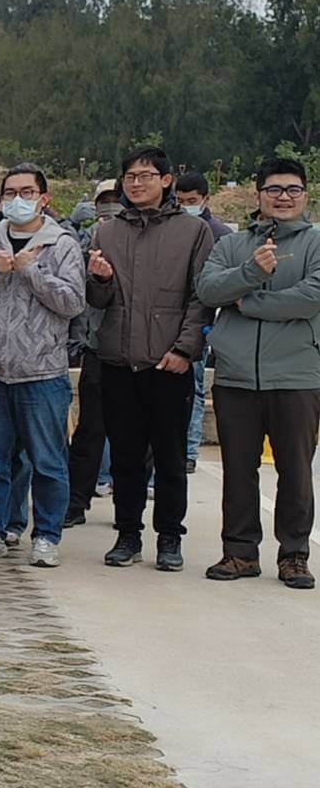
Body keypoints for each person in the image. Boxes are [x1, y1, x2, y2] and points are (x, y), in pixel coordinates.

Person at [86, 148, 214, 572]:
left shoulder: (192, 231)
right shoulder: (107, 232)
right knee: (124, 454)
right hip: (119, 359)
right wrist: (100, 280)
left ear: (165, 181)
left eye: (145, 175)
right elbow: (98, 300)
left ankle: (170, 537)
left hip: (167, 363)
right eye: (129, 176)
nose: (136, 183)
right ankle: (127, 534)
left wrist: (184, 350)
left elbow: (201, 298)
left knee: (170, 455)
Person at [0, 163, 86, 567]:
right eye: (9, 193)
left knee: (47, 461)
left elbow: (72, 302)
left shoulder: (61, 244)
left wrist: (30, 270)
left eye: (26, 192)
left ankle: (46, 535)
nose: (17, 200)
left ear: (44, 198)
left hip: (42, 373)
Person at [196, 157, 319, 589]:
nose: (283, 198)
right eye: (274, 190)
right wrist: (252, 271)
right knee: (239, 469)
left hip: (298, 375)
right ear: (259, 195)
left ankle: (295, 555)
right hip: (236, 376)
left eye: (292, 190)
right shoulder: (232, 244)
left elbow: (310, 298)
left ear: (305, 195)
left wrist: (246, 302)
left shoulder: (315, 243)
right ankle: (240, 552)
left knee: (296, 470)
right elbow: (208, 288)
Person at [65, 179, 122, 527]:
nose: (111, 207)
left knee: (136, 438)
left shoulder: (137, 239)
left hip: (137, 350)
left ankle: (128, 510)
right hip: (97, 349)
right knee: (89, 432)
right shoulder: (85, 239)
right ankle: (75, 501)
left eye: (117, 201)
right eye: (105, 201)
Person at [173, 170, 231, 475]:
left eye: (191, 201)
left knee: (194, 388)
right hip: (168, 322)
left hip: (201, 322)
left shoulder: (218, 234)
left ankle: (189, 449)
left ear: (205, 199)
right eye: (179, 201)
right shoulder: (170, 228)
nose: (185, 207)